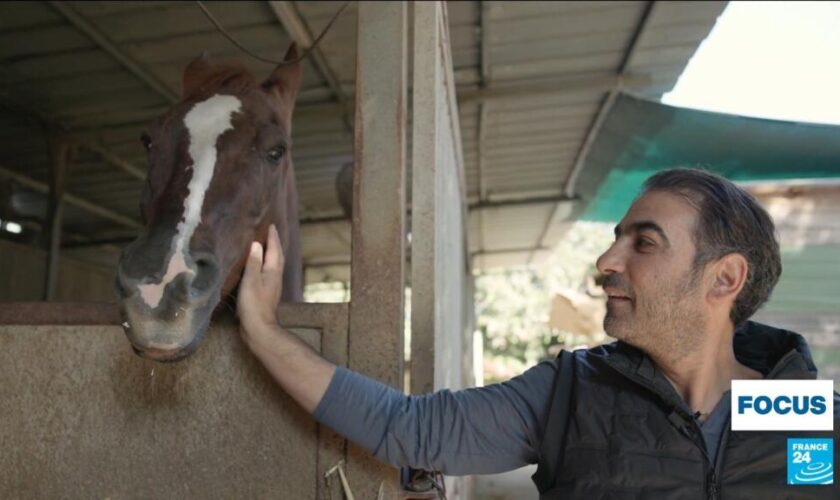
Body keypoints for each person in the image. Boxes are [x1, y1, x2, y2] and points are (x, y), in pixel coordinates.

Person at [236, 168, 839, 499]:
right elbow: (410, 430)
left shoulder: (807, 413)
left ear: (724, 278)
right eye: (615, 237)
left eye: (643, 242)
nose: (606, 261)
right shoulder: (571, 392)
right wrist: (263, 331)